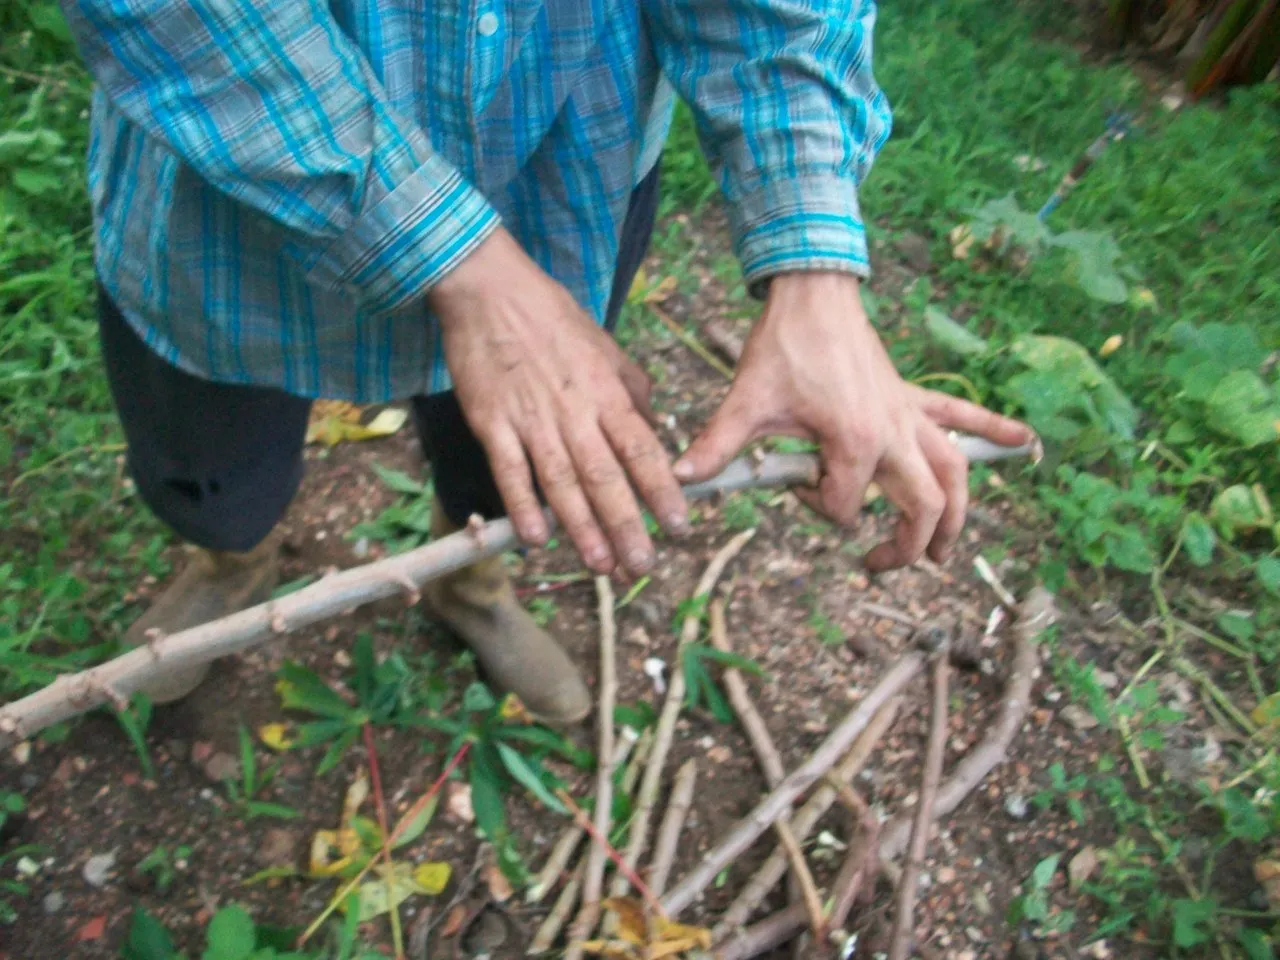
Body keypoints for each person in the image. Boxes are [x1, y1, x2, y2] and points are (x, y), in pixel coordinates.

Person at [63, 0, 1034, 726]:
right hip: (229, 182)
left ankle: (469, 583)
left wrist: (814, 266)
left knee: (512, 460)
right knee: (206, 457)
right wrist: (456, 261)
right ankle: (226, 559)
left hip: (562, 167)